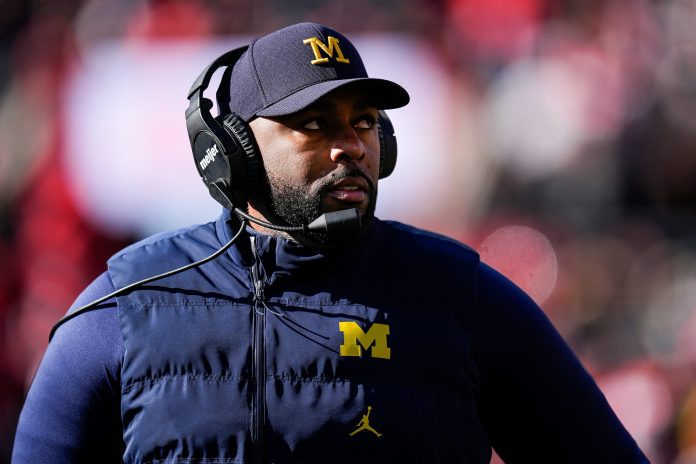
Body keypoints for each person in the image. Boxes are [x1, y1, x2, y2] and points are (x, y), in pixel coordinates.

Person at [12, 22, 648, 463]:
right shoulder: (120, 314)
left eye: (364, 122)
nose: (350, 145)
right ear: (230, 152)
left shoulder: (466, 301)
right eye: (312, 125)